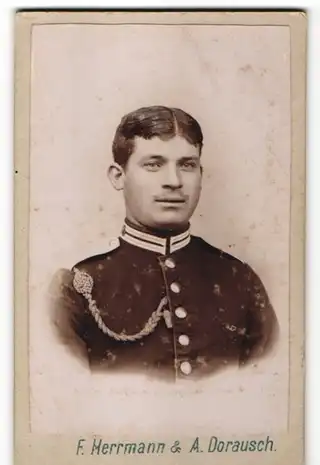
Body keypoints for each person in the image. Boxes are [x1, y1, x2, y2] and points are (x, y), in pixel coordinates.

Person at [50, 105, 278, 381]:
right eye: (154, 165)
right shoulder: (79, 287)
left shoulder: (239, 280)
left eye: (187, 165)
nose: (174, 181)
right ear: (118, 176)